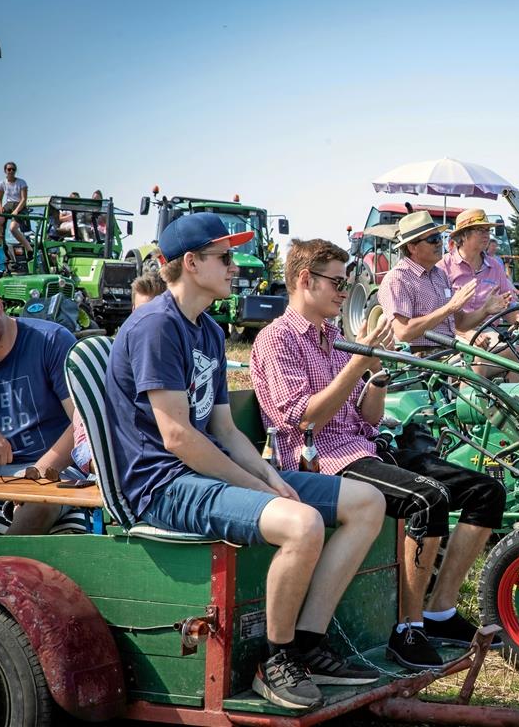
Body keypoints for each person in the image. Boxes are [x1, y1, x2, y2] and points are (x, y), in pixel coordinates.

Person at [106, 213, 387, 710]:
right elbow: (176, 438)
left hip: (201, 472)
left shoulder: (209, 331)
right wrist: (257, 487)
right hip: (161, 486)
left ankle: (307, 644)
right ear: (191, 264)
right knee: (301, 525)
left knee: (366, 501)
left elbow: (225, 430)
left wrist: (268, 474)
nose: (235, 267)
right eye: (225, 258)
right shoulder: (155, 327)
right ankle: (275, 661)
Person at [253, 238, 506, 671]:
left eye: (345, 281)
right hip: (321, 462)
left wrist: (378, 378)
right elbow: (305, 422)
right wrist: (359, 363)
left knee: (487, 491)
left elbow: (367, 419)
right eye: (336, 281)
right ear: (304, 280)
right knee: (427, 497)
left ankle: (439, 611)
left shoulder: (333, 336)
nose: (343, 290)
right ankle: (407, 630)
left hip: (361, 448)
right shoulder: (277, 340)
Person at [0, 274, 86, 535]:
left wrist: (38, 470)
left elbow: (82, 420)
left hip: (54, 468)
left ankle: (2, 570)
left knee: (41, 504)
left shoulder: (51, 341)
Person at [71, 272, 167, 476]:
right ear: (132, 311)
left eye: (155, 316)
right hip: (126, 468)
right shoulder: (109, 361)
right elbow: (85, 448)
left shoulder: (175, 357)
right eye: (141, 314)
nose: (147, 324)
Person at [377, 211, 507, 355]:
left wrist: (485, 310)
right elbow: (403, 332)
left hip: (448, 353)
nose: (439, 243)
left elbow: (460, 323)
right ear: (412, 247)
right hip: (420, 358)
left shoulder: (439, 274)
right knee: (481, 362)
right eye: (432, 239)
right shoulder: (398, 278)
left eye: (439, 237)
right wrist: (448, 308)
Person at [438, 209, 519, 380]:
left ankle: (511, 401)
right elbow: (440, 315)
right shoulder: (443, 268)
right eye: (480, 230)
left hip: (490, 332)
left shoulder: (495, 266)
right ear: (463, 235)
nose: (486, 235)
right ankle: (472, 403)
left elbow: (507, 306)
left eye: (488, 230)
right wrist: (467, 333)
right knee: (478, 356)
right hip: (453, 335)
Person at [0, 162, 32, 256]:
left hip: (19, 205)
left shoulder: (21, 182)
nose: (11, 171)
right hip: (8, 205)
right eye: (9, 169)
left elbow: (24, 199)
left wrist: (16, 211)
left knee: (13, 228)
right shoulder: (2, 183)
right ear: (5, 171)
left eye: (13, 169)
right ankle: (2, 244)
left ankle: (29, 248)